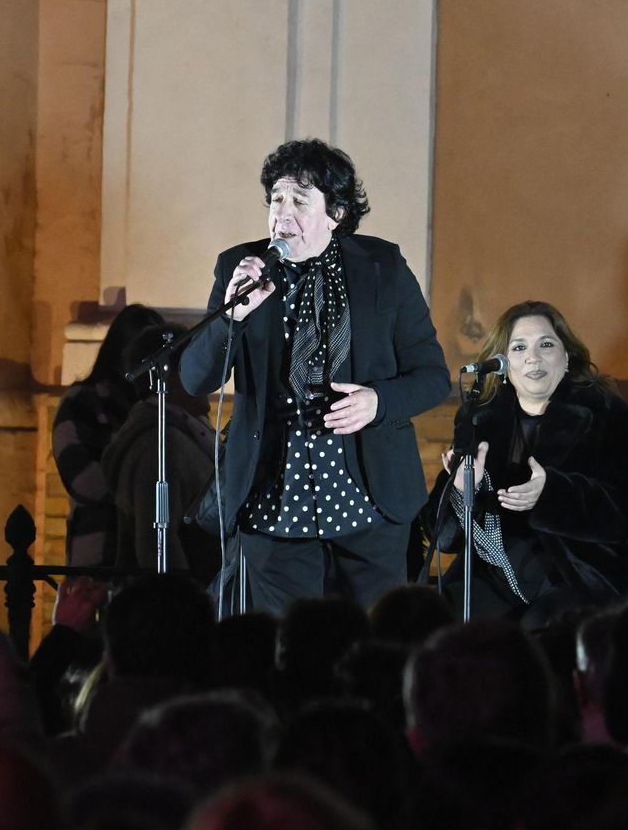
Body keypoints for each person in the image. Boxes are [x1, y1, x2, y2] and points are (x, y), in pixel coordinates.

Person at [178, 139, 449, 614]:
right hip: (273, 501)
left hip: (369, 501)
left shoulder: (382, 267)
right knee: (288, 646)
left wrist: (378, 403)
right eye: (276, 199)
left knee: (375, 642)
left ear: (335, 213)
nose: (282, 214)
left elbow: (432, 376)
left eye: (300, 201)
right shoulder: (239, 266)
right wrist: (234, 316)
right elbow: (196, 379)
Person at [420, 300, 628, 628]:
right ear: (503, 364)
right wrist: (460, 490)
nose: (533, 357)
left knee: (542, 628)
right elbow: (443, 539)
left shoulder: (607, 413)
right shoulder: (479, 418)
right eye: (519, 347)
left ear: (566, 358)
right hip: (494, 569)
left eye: (546, 345)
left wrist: (552, 494)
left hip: (579, 572)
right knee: (435, 620)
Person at [103, 322, 220, 581]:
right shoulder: (158, 443)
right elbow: (155, 542)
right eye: (195, 364)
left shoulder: (190, 432)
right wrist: (181, 596)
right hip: (186, 595)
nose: (206, 374)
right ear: (171, 375)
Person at [53, 303, 167, 568]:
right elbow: (83, 479)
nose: (150, 364)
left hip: (159, 558)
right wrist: (147, 494)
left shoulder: (164, 406)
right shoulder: (83, 401)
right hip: (102, 553)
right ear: (121, 350)